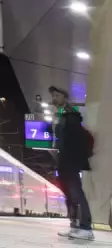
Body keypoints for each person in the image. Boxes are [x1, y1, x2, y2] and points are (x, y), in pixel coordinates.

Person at [49, 85, 94, 241]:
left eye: (57, 95)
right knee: (69, 194)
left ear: (65, 97)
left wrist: (67, 156)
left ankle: (86, 228)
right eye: (53, 96)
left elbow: (75, 141)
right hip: (63, 161)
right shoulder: (60, 115)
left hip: (70, 162)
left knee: (76, 193)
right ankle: (74, 226)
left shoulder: (72, 116)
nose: (54, 98)